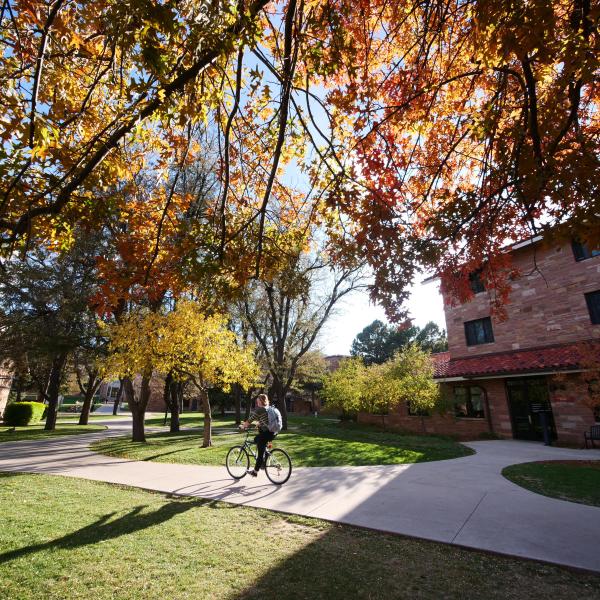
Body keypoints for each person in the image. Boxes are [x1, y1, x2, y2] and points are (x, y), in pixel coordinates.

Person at [241, 393, 275, 477]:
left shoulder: (260, 409)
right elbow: (266, 420)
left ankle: (255, 472)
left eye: (258, 401)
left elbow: (250, 420)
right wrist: (259, 424)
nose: (257, 402)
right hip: (273, 432)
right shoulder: (268, 408)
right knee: (258, 441)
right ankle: (264, 460)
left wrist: (243, 426)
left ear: (261, 401)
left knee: (258, 444)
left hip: (266, 433)